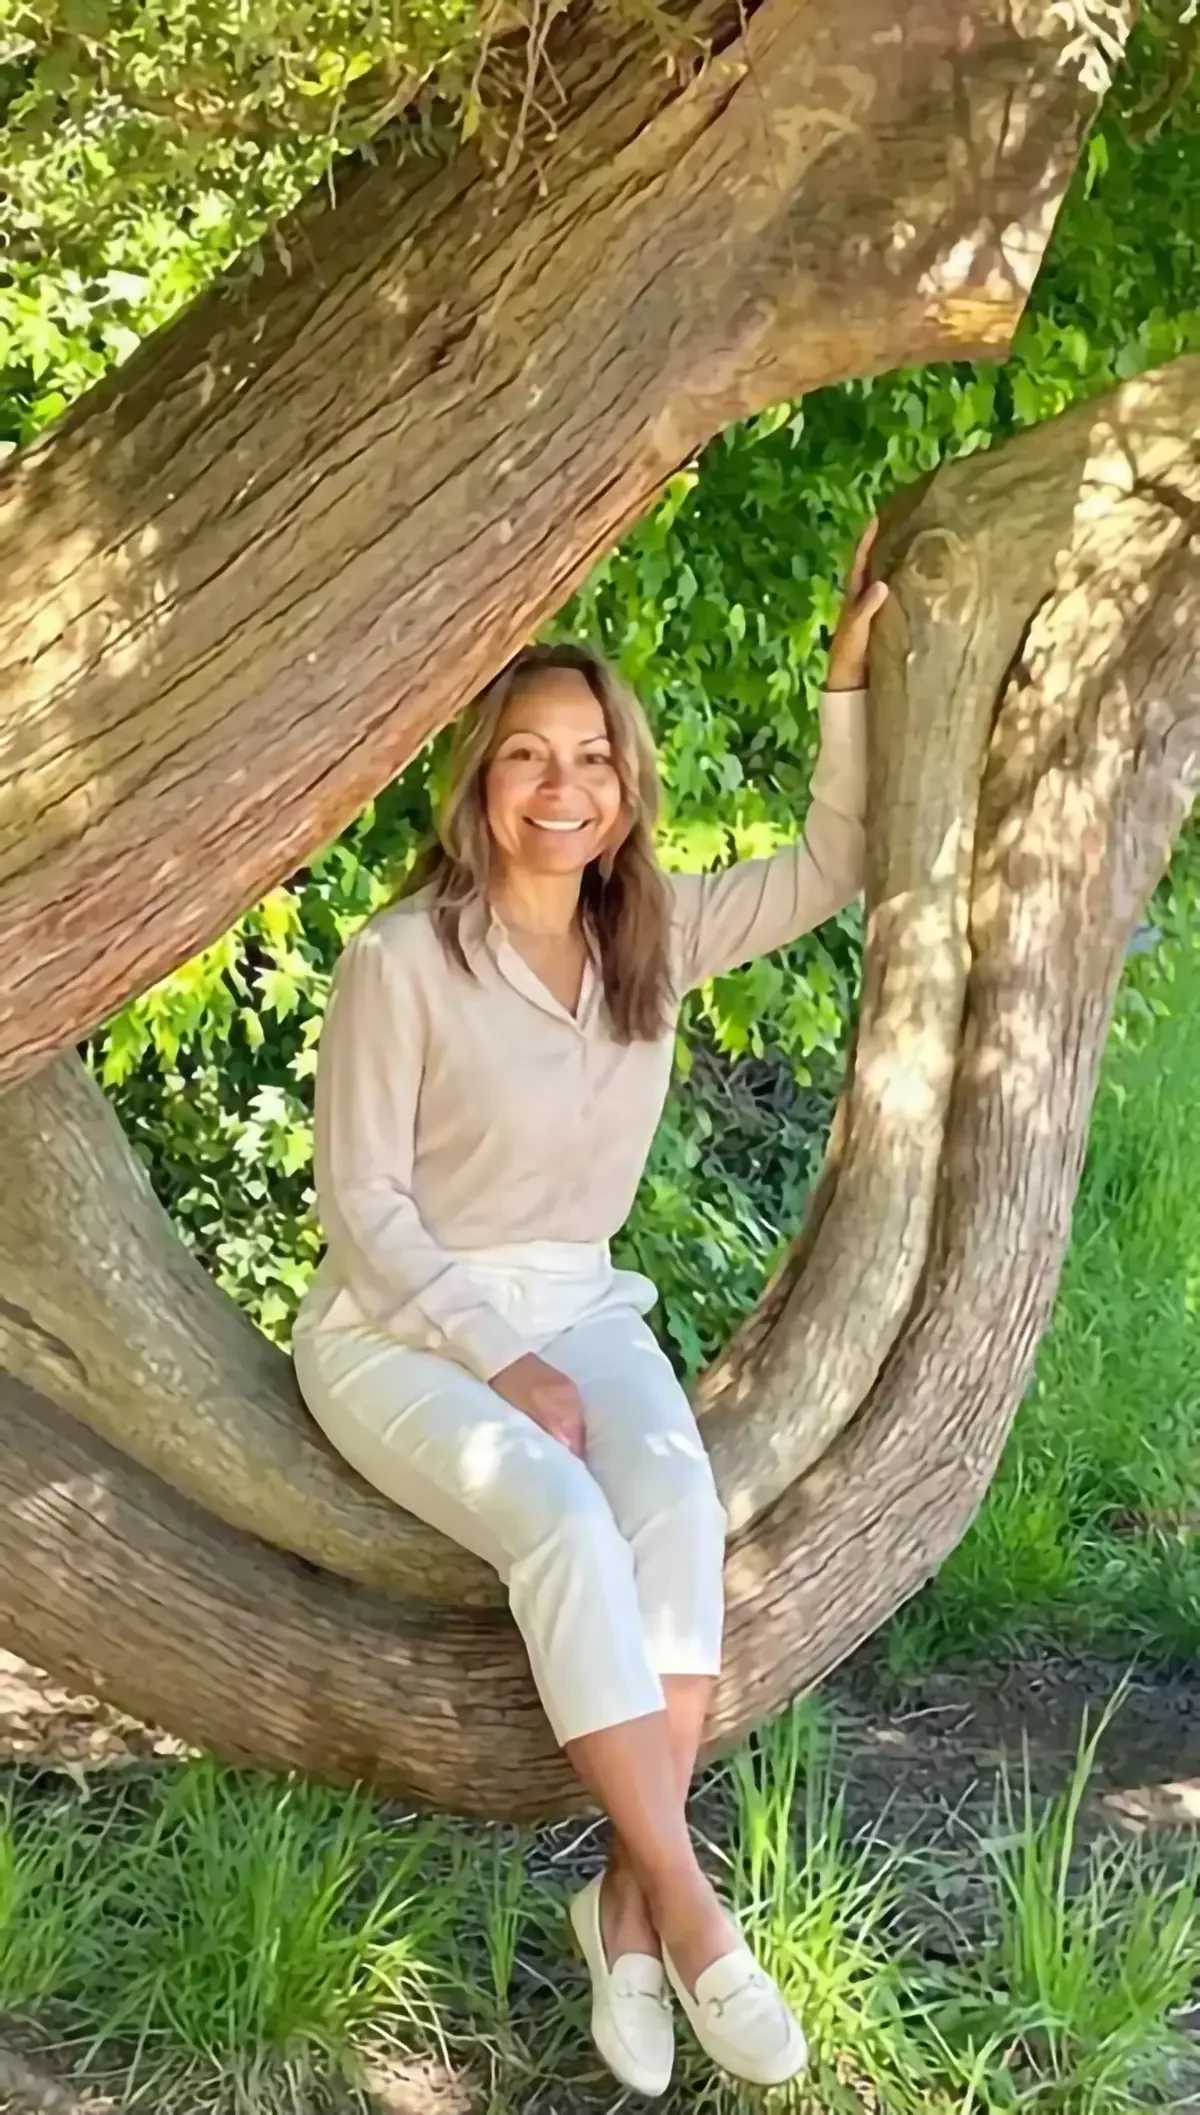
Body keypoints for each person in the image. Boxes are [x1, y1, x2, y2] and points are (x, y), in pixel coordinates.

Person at [292, 526, 888, 2096]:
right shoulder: (401, 959)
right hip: (398, 1325)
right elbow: (363, 1205)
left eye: (594, 758)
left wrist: (848, 680)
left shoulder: (655, 936)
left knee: (675, 1503)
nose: (563, 787)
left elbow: (834, 862)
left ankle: (620, 1902)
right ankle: (688, 1910)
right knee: (558, 1511)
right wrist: (501, 1361)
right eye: (528, 756)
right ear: (480, 781)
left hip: (584, 1301)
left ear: (627, 783)